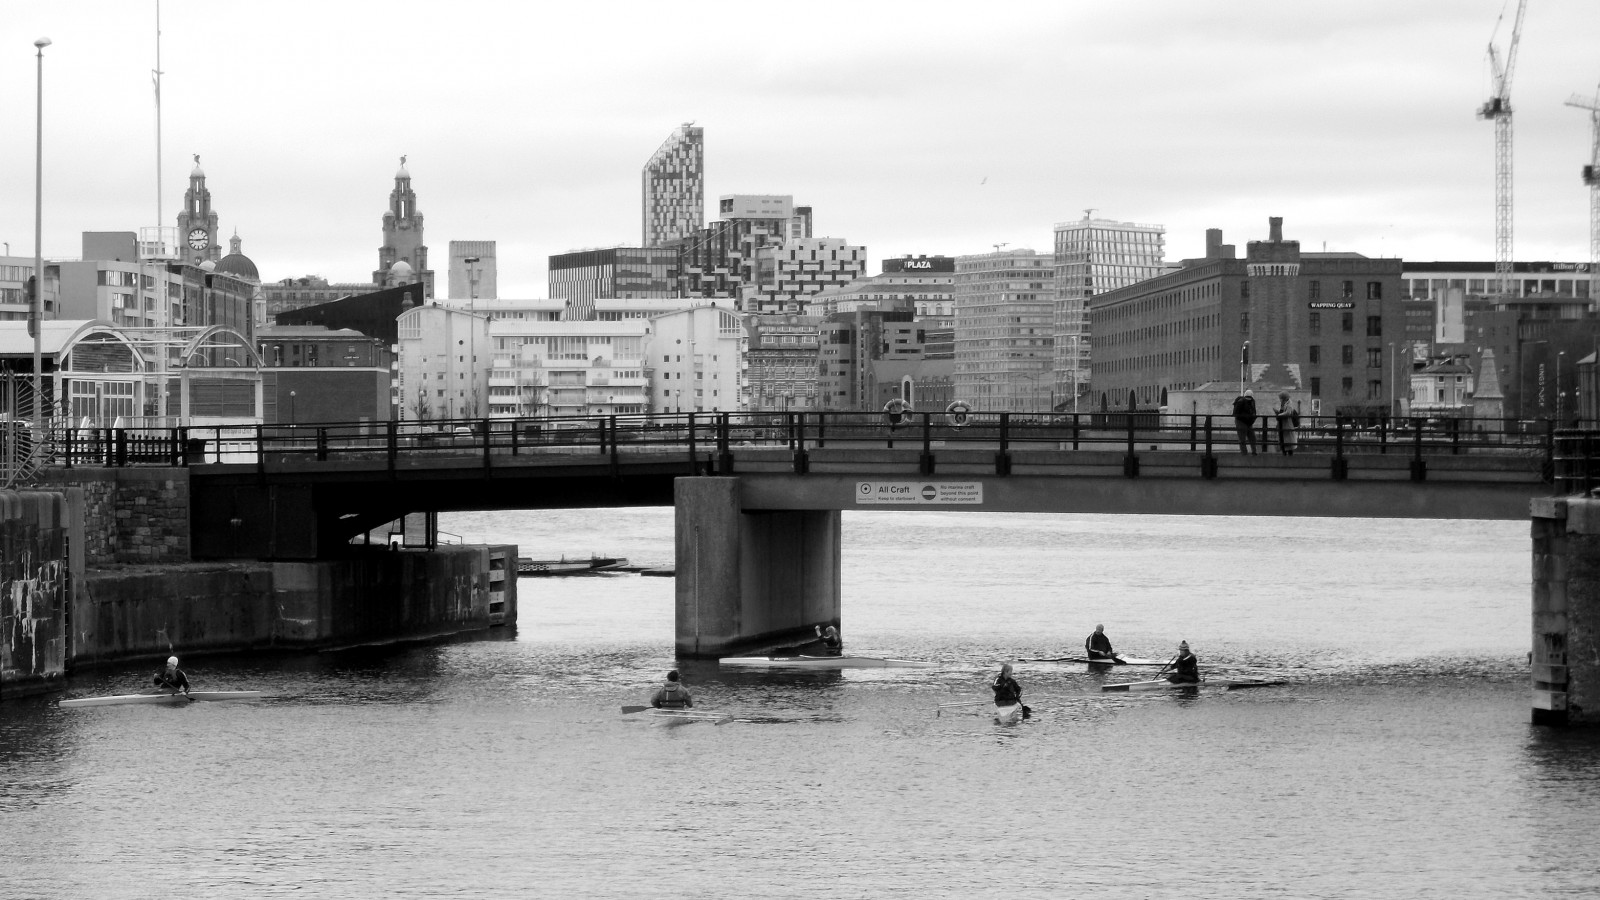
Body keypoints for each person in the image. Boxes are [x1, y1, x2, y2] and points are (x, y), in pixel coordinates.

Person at [1232, 390, 1258, 454]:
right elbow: (1236, 413)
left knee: (1247, 438)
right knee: (1246, 438)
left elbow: (1235, 413)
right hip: (1243, 421)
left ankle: (1249, 452)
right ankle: (1247, 452)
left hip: (1245, 421)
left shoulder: (1248, 401)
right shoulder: (1247, 401)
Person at [1274, 391, 1298, 456]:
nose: (1280, 400)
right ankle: (1284, 454)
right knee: (1282, 440)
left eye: (1280, 398)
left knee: (1288, 441)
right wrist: (1278, 412)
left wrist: (1279, 415)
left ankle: (1289, 454)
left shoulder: (1289, 404)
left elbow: (1288, 413)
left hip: (1287, 425)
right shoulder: (1283, 404)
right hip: (1282, 424)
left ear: (1284, 398)